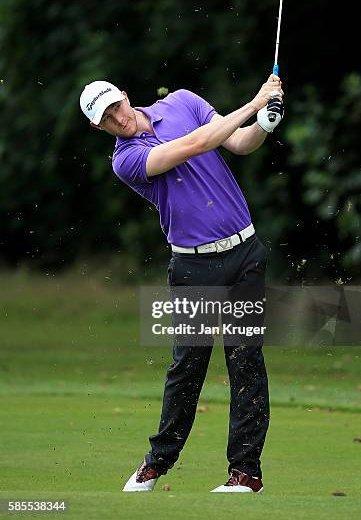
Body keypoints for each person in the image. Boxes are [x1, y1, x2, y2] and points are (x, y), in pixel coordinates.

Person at [79, 74, 284, 493]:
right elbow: (195, 145)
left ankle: (246, 472)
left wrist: (264, 122)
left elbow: (239, 143)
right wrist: (254, 100)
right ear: (97, 127)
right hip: (195, 270)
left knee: (246, 363)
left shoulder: (183, 101)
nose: (118, 117)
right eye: (106, 117)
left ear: (125, 94)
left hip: (245, 254)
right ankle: (157, 461)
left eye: (116, 105)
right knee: (187, 369)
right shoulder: (127, 160)